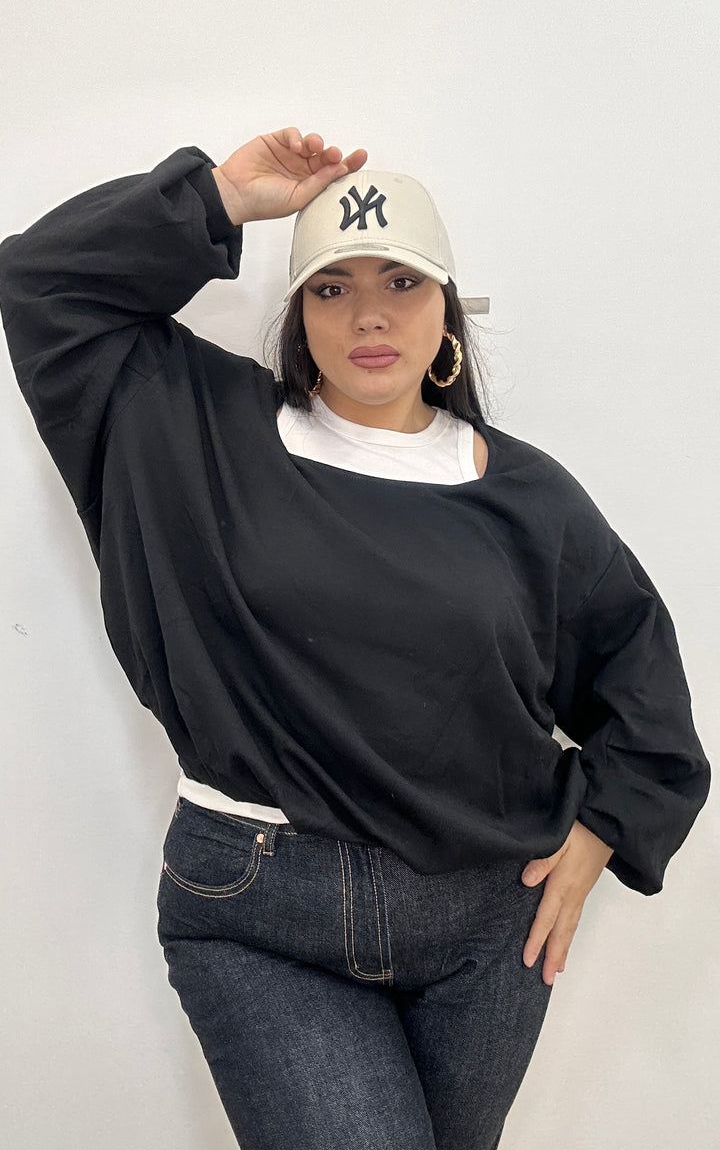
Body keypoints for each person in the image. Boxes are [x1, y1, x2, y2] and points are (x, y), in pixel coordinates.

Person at [0, 127, 711, 1150]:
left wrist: (606, 826)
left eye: (402, 282)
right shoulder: (190, 427)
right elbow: (41, 283)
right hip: (261, 908)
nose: (370, 315)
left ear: (447, 308)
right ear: (297, 316)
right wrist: (219, 199)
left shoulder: (529, 496)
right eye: (332, 288)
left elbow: (636, 669)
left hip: (486, 928)